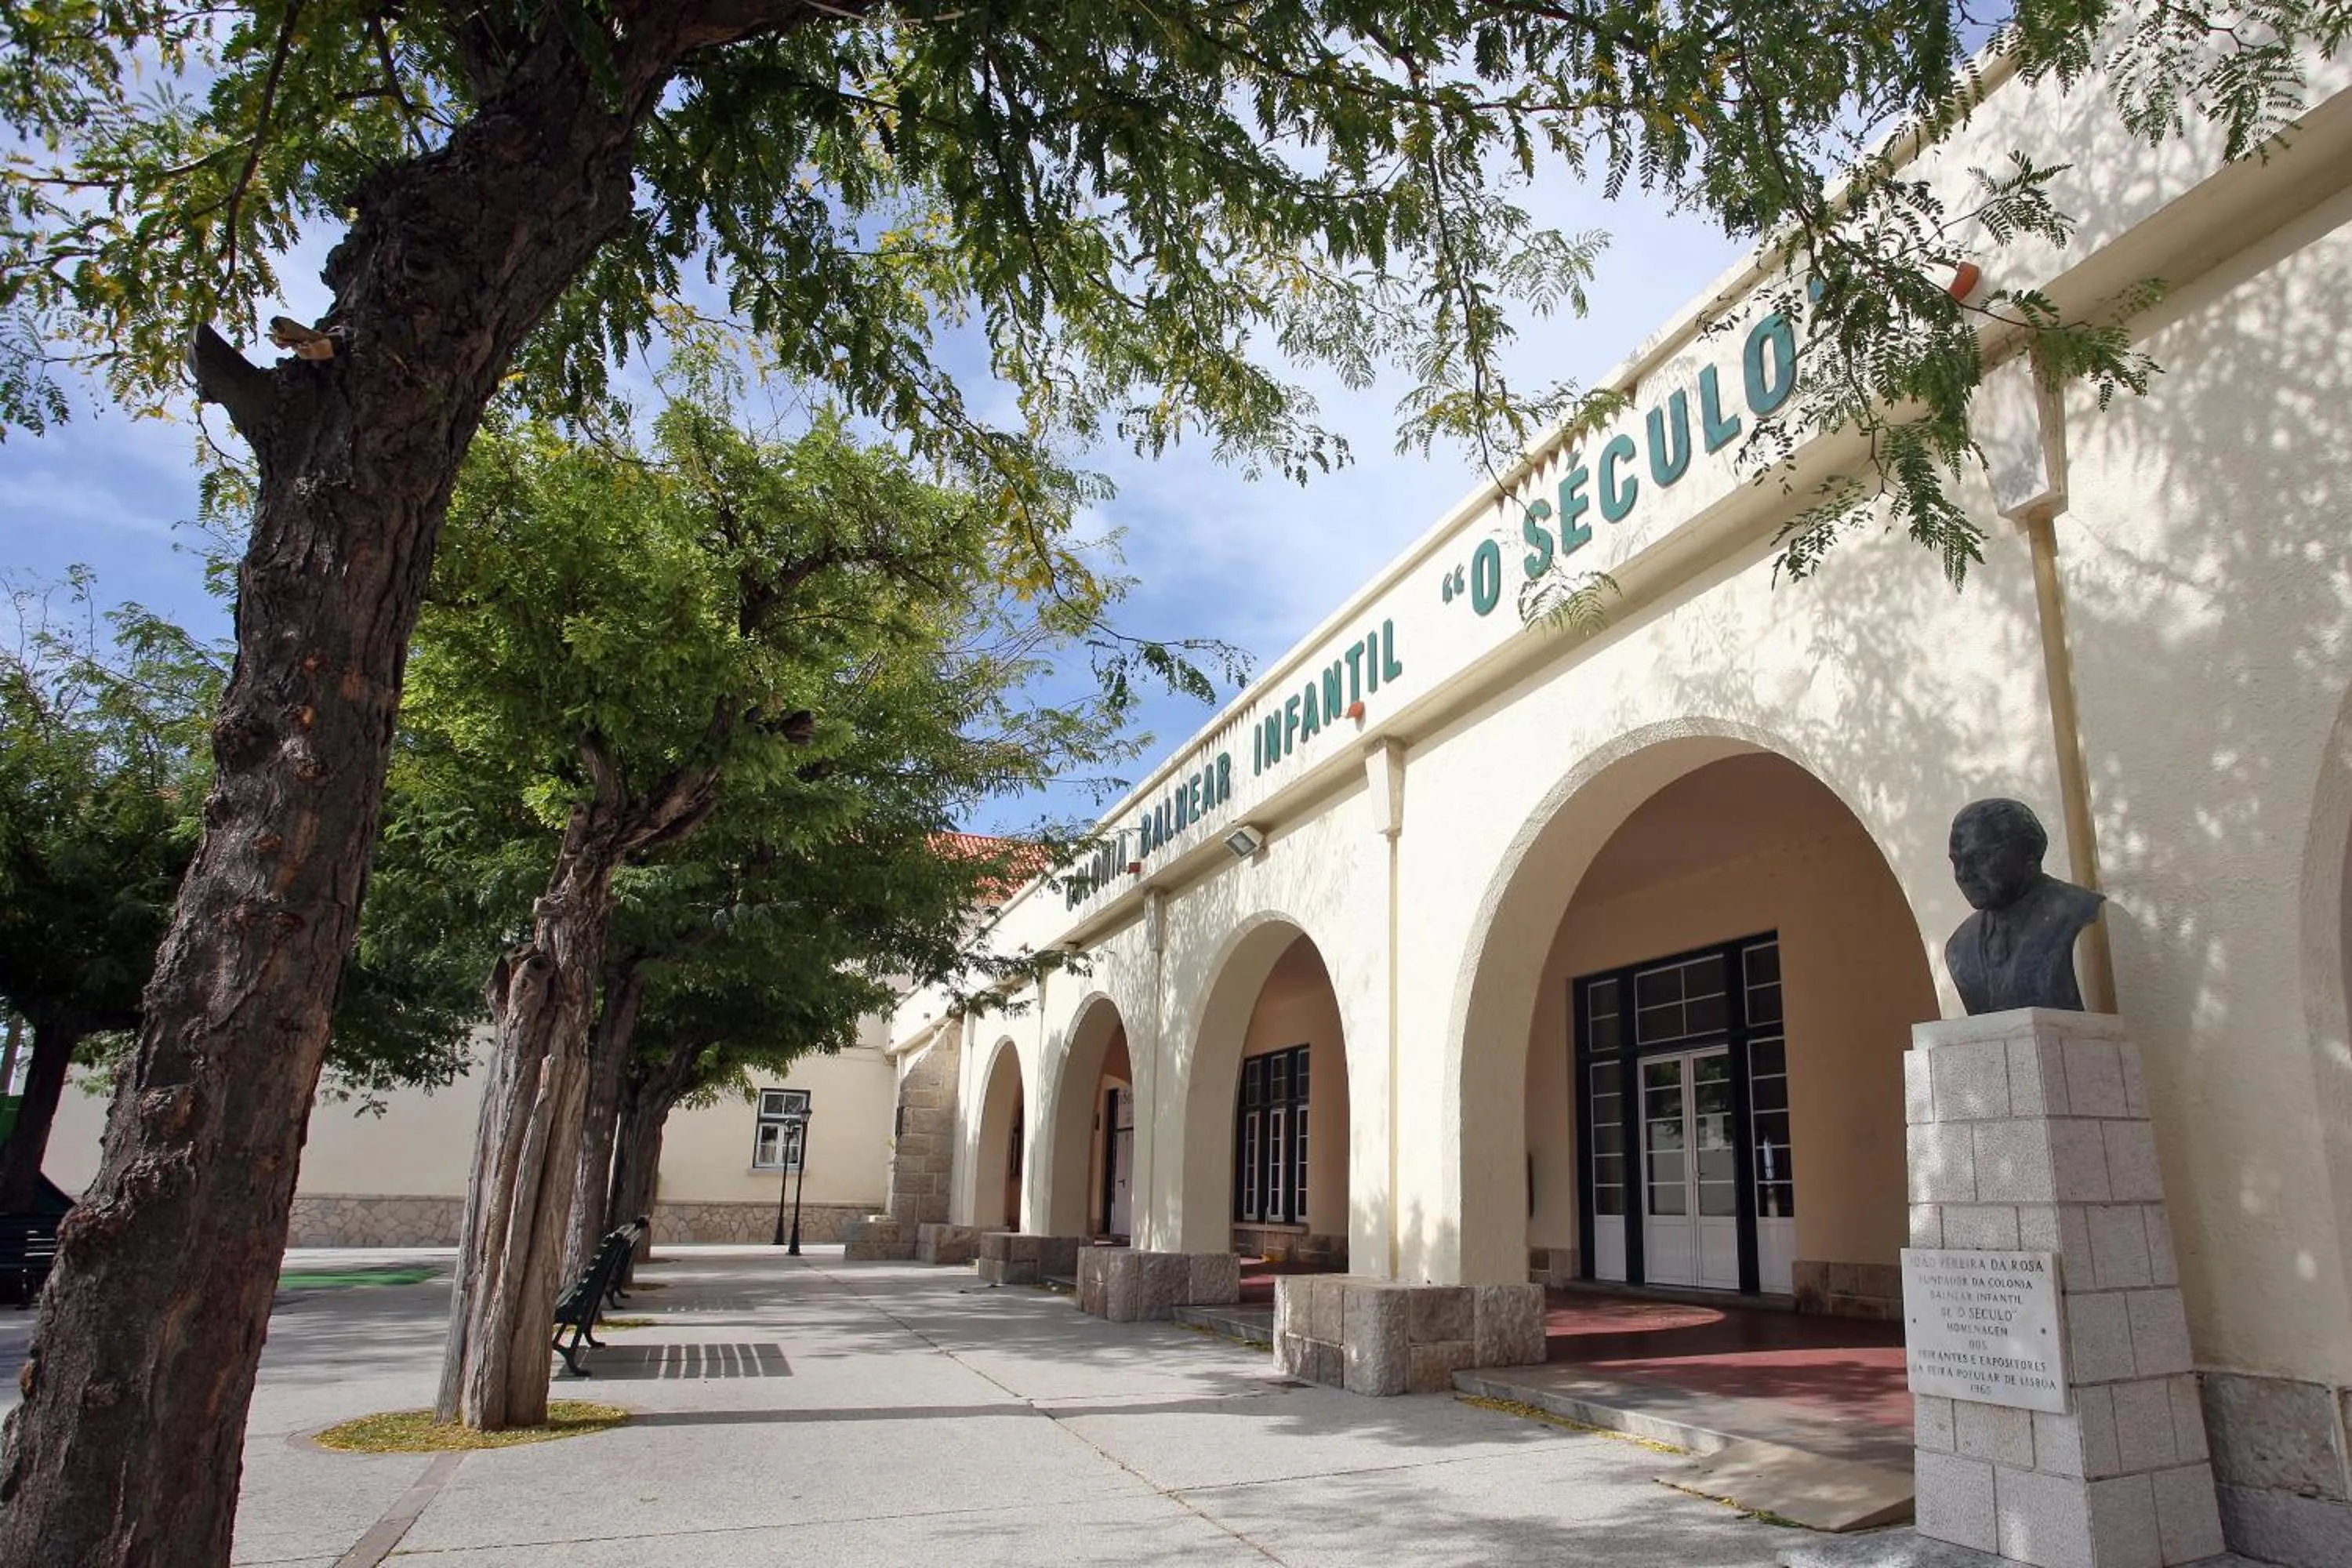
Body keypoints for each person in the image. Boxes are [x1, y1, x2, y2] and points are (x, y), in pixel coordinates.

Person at [1944, 798, 2106, 1014]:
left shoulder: (2077, 912)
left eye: (1980, 857)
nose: (1963, 874)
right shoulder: (1960, 946)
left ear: (2027, 852)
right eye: (1956, 862)